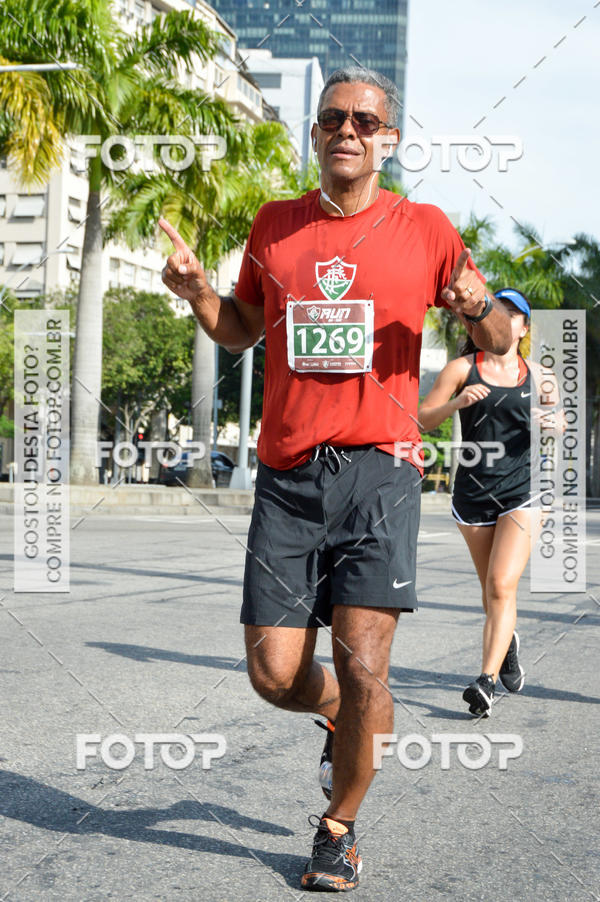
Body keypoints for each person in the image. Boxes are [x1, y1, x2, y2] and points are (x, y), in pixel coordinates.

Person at [160, 67, 512, 892]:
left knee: (365, 671)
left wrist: (474, 301)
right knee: (275, 675)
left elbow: (497, 337)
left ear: (387, 139)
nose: (347, 130)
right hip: (287, 478)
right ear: (315, 135)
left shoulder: (425, 228)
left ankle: (337, 829)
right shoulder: (275, 226)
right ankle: (333, 717)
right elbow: (243, 331)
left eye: (365, 120)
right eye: (332, 118)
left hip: (380, 475)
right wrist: (201, 294)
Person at [420, 287, 542, 718]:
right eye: (497, 313)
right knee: (490, 592)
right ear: (478, 323)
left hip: (524, 493)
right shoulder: (461, 368)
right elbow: (420, 419)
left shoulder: (537, 375)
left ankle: (485, 682)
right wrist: (455, 403)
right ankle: (507, 644)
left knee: (501, 586)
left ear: (524, 327)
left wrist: (557, 421)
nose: (505, 320)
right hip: (472, 495)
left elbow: (562, 417)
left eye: (514, 315)